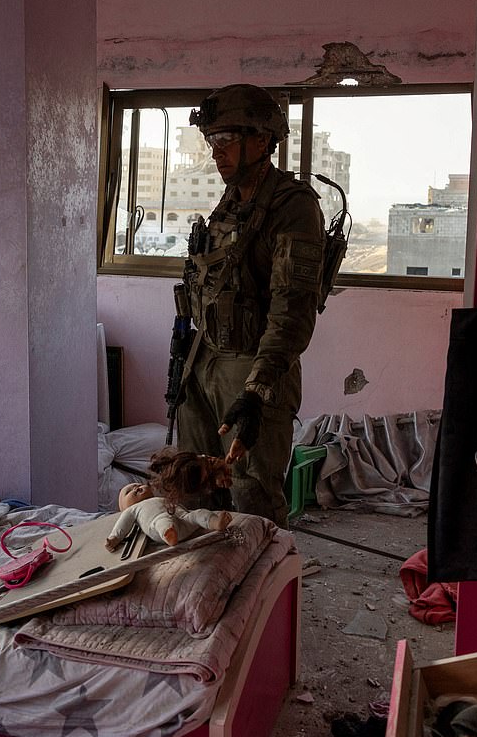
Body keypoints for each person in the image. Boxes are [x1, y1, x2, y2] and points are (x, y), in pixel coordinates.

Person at [176, 84, 326, 528]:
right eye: (211, 143)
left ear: (263, 141)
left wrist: (256, 393)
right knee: (195, 488)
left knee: (252, 498)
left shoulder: (292, 207)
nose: (216, 154)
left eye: (226, 141)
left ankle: (263, 595)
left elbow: (291, 312)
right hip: (204, 360)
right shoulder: (231, 202)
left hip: (251, 368)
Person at [105, 479, 232, 551]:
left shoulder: (158, 498)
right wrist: (114, 538)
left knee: (198, 514)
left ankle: (216, 523)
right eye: (129, 491)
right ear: (124, 507)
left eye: (138, 485)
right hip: (160, 522)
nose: (135, 488)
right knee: (163, 521)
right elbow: (122, 524)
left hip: (183, 519)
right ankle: (169, 534)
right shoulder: (133, 509)